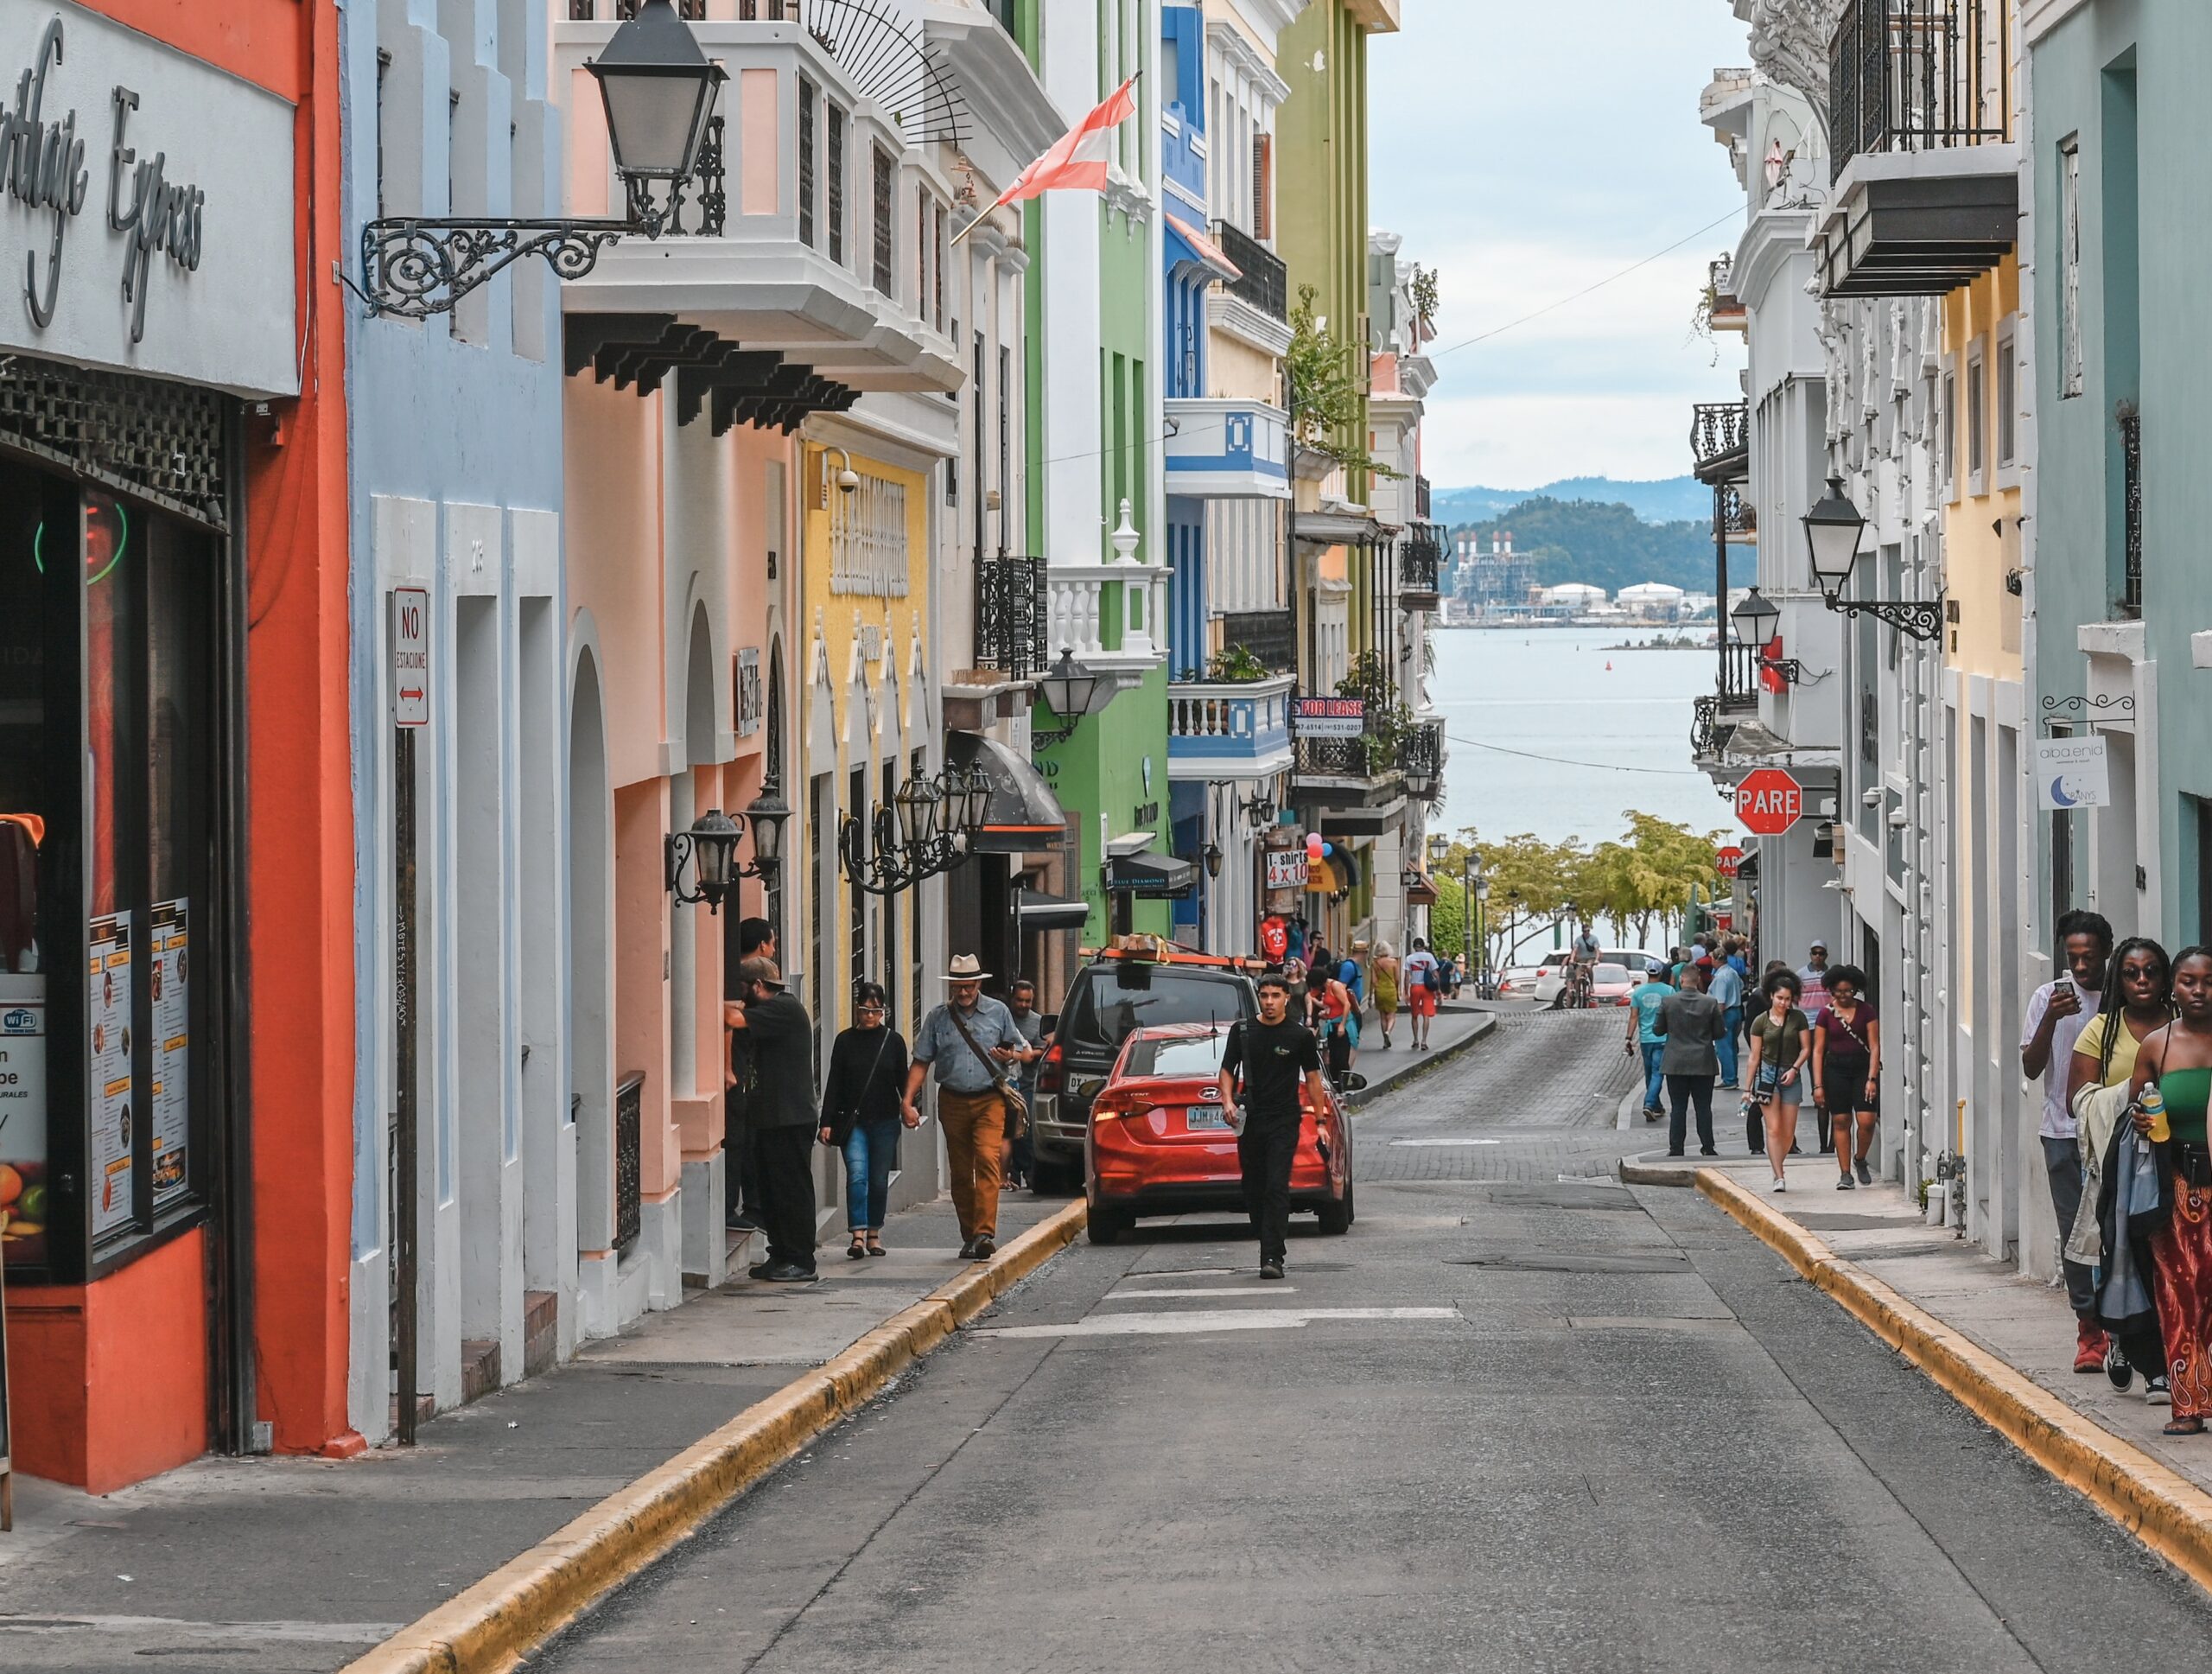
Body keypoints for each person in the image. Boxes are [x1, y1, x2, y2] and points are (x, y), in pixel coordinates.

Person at [2069, 937, 2175, 1403]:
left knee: (2170, 1262)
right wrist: (2127, 1100)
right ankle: (2131, 1346)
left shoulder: (2183, 1025)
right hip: (2124, 1164)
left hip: (2178, 1158)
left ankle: (2169, 1359)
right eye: (2132, 973)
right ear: (2119, 980)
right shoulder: (2101, 1031)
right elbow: (2080, 1099)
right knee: (2126, 1256)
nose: (2142, 981)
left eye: (2151, 971)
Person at [2122, 945, 2212, 1436]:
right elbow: (2138, 1109)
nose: (2199, 990)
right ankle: (2187, 1405)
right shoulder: (2158, 1044)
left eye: (2208, 981)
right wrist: (2140, 1117)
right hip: (2174, 1189)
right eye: (2188, 981)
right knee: (2179, 1295)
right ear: (2172, 988)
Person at [2023, 910, 2114, 1373]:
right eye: (2073, 958)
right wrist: (2051, 1022)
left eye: (2089, 957)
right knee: (2075, 1236)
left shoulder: (2121, 997)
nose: (2080, 968)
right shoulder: (2048, 997)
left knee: (2121, 1230)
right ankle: (2089, 1332)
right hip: (2062, 1133)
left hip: (2116, 1134)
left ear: (2106, 953)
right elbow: (2032, 1067)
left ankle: (2125, 1325)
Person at [906, 954, 1028, 1261]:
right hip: (953, 1100)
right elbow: (922, 1060)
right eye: (958, 987)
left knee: (988, 1159)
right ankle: (970, 1234)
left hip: (990, 1098)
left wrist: (1007, 1056)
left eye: (969, 986)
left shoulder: (998, 1011)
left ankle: (985, 1233)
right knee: (961, 1172)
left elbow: (1018, 1050)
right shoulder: (937, 1018)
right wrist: (907, 1100)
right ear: (952, 986)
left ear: (978, 984)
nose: (964, 993)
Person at [1217, 973, 1330, 1282]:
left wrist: (1320, 1122)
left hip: (1284, 1120)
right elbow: (1227, 1070)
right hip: (1251, 1119)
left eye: (1275, 996)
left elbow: (1313, 1080)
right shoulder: (1242, 1031)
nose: (1269, 1002)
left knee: (1277, 1185)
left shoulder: (1299, 1036)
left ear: (1286, 999)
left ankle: (1272, 1255)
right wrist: (1227, 1100)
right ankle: (1265, 1234)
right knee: (1253, 1187)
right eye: (1264, 996)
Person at [724, 958, 820, 1282]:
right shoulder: (770, 1013)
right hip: (770, 1118)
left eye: (742, 988)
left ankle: (802, 1260)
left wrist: (717, 1002)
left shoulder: (784, 1009)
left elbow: (732, 1018)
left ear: (757, 986)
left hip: (790, 1118)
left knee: (792, 1191)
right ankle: (780, 1254)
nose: (742, 996)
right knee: (770, 1191)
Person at [818, 983, 913, 1259]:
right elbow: (834, 1082)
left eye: (875, 1011)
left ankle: (874, 1233)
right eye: (864, 1010)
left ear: (883, 1011)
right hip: (853, 1122)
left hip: (885, 1121)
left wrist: (909, 1107)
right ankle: (857, 1236)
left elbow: (903, 1081)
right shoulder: (844, 1041)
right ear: (857, 1010)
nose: (870, 1016)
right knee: (857, 1175)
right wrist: (826, 1122)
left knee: (879, 1180)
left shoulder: (893, 1042)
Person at [723, 916, 777, 1232]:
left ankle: (752, 1205)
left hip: (746, 1071)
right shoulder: (748, 984)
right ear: (761, 945)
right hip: (741, 1072)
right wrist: (729, 1069)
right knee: (741, 1139)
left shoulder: (735, 978)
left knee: (746, 1138)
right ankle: (747, 1205)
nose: (773, 950)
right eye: (772, 943)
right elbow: (730, 1020)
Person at [1812, 964, 1881, 1190]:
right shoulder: (1825, 1013)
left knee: (1867, 1120)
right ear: (1831, 990)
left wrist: (1872, 1078)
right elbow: (1818, 1050)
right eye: (1838, 992)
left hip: (1862, 1068)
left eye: (1848, 991)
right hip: (1836, 1070)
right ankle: (1845, 1174)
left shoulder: (1867, 1011)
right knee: (1841, 1121)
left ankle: (1860, 1158)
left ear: (1856, 989)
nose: (1842, 996)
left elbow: (1874, 1045)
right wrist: (1818, 1085)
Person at [1744, 969, 1812, 1192]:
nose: (1784, 1003)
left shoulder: (1798, 1018)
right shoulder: (1760, 1022)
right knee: (1773, 1128)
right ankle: (1779, 1176)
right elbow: (1754, 1056)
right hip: (1767, 1076)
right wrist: (1747, 1088)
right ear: (1771, 996)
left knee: (1788, 1132)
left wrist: (1794, 1069)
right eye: (1780, 998)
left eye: (1788, 999)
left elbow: (1806, 1048)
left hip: (1791, 1075)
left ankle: (1777, 1165)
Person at [1655, 963, 1725, 1159]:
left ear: (1681, 980)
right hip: (1703, 1062)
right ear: (1698, 981)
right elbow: (1720, 1032)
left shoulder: (1668, 1002)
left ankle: (1676, 1148)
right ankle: (1707, 1146)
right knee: (1703, 1107)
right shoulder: (1710, 1003)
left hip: (1675, 1062)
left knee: (1678, 1107)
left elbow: (1658, 1030)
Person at [1003, 979, 1046, 1190]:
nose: (1023, 1005)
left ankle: (1028, 1172)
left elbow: (1043, 1049)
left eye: (1028, 1001)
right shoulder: (1003, 1018)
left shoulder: (1037, 1022)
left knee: (1025, 1131)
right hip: (1004, 1085)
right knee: (1006, 1132)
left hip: (1027, 1085)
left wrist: (1028, 1054)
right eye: (1020, 1000)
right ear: (1013, 998)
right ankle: (1011, 1173)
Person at [1624, 964, 1674, 1123]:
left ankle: (1656, 1105)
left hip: (1646, 1039)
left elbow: (1634, 1017)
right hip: (1663, 1038)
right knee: (1658, 1073)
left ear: (1647, 972)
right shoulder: (1669, 991)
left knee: (1649, 1073)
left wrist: (1628, 1037)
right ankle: (1650, 1103)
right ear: (1660, 973)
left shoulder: (1638, 992)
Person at [1707, 951, 1745, 1089]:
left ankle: (1729, 1078)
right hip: (1735, 1010)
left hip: (1726, 1013)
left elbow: (1720, 1003)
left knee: (1724, 1047)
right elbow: (1741, 986)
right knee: (1732, 1046)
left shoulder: (1721, 977)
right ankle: (1732, 1076)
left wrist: (1714, 1019)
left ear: (1716, 960)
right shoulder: (1732, 972)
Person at [1317, 962, 1358, 1087]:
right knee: (1333, 1057)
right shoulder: (1326, 988)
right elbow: (1332, 1005)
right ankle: (1335, 1083)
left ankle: (1343, 1083)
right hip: (1332, 1025)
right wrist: (1325, 1013)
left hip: (1342, 1025)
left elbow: (1346, 1004)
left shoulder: (1335, 986)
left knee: (1341, 1057)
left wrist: (1342, 1024)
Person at [1401, 938, 1442, 1050]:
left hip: (1415, 987)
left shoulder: (1409, 958)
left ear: (1414, 947)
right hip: (1427, 988)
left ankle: (1415, 1040)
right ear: (1423, 946)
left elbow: (1407, 977)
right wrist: (1438, 991)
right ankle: (1424, 1041)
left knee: (1414, 1015)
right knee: (1426, 1015)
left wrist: (1406, 992)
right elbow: (1436, 974)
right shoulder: (1429, 957)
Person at [1370, 941, 1401, 1049]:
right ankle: (1388, 1031)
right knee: (1391, 1015)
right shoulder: (1393, 962)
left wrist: (1371, 995)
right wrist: (1397, 991)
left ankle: (1384, 1041)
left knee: (1383, 1016)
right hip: (1391, 989)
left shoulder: (1375, 963)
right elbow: (1397, 979)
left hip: (1379, 991)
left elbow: (1373, 981)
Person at [1798, 940, 1832, 1019]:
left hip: (1827, 1018)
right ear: (1810, 955)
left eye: (1821, 953)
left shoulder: (1832, 974)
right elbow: (1794, 995)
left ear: (1826, 955)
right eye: (1814, 953)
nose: (1817, 956)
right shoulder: (1801, 974)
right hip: (1807, 1020)